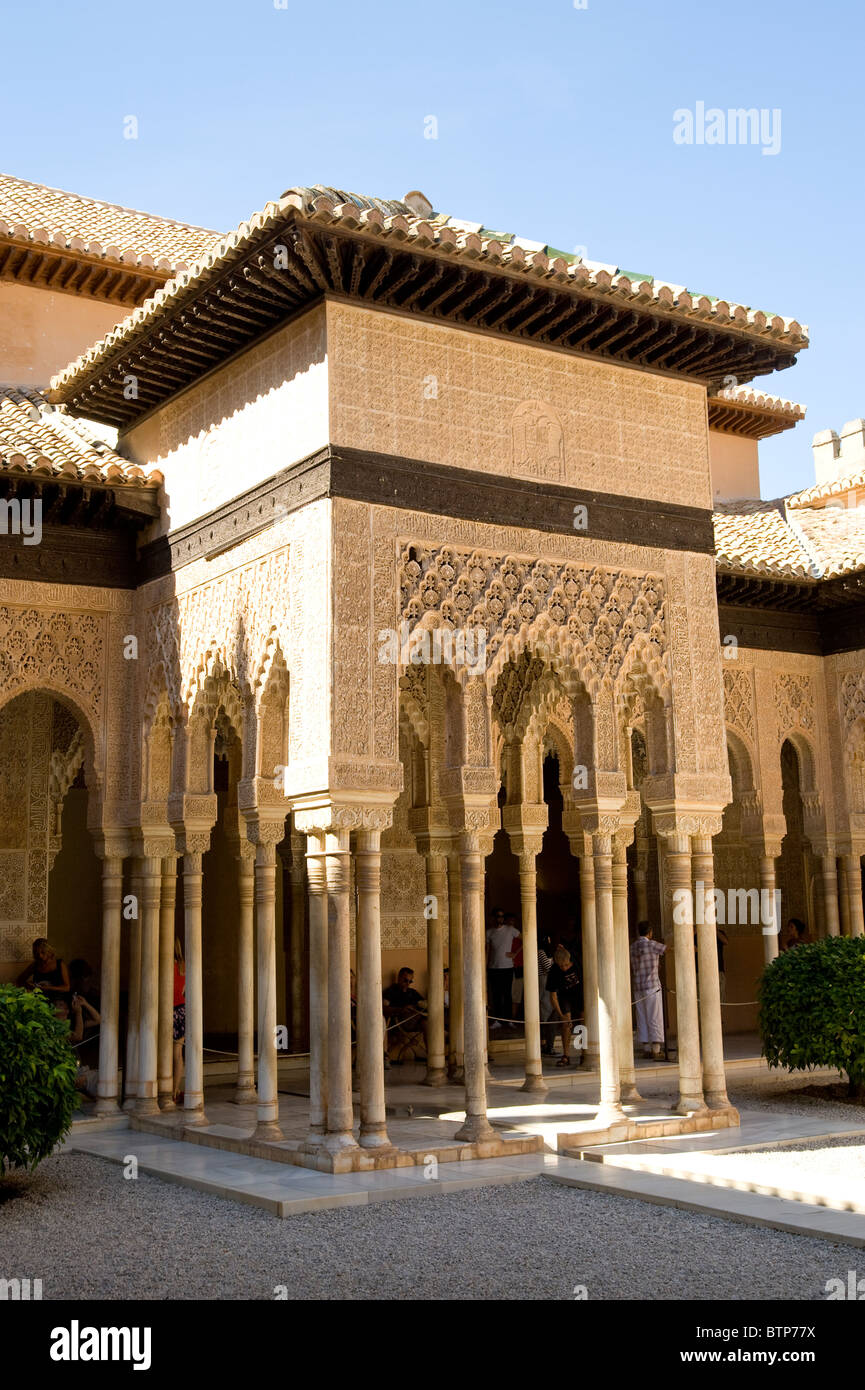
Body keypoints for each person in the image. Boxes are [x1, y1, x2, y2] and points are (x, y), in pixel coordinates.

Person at [630, 921, 666, 1059]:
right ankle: (656, 1050)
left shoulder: (633, 947)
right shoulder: (652, 944)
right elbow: (666, 949)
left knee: (642, 1017)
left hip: (638, 986)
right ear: (650, 932)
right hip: (652, 986)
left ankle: (646, 1048)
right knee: (654, 1016)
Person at [545, 944, 583, 1067]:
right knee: (566, 1024)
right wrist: (561, 1015)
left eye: (566, 965)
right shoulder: (554, 971)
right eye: (561, 966)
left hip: (581, 993)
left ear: (570, 960)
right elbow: (553, 996)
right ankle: (566, 1055)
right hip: (565, 996)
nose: (565, 968)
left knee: (583, 1024)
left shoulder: (575, 958)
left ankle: (584, 1053)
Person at [485, 908, 520, 1031]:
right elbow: (487, 950)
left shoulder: (510, 930)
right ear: (493, 918)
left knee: (507, 994)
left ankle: (508, 1019)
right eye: (497, 916)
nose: (499, 918)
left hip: (507, 967)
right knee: (496, 995)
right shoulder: (489, 932)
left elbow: (525, 938)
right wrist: (485, 965)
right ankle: (497, 1020)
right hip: (493, 968)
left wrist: (515, 953)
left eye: (501, 916)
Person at [382, 967, 427, 1062]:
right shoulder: (391, 991)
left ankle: (432, 1054)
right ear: (399, 978)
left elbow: (424, 1004)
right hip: (399, 1021)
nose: (407, 984)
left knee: (427, 1023)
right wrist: (401, 1009)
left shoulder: (413, 992)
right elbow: (383, 1008)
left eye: (410, 982)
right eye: (405, 980)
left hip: (415, 1020)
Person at [17, 938, 70, 1012]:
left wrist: (48, 988)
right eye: (36, 953)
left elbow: (66, 987)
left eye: (43, 952)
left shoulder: (59, 964)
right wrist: (31, 986)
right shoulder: (35, 965)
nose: (40, 956)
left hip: (58, 1000)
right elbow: (20, 980)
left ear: (49, 951)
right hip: (40, 1000)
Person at [173, 937, 186, 1103]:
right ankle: (175, 1089)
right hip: (182, 1011)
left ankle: (168, 1090)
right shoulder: (183, 966)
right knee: (178, 1054)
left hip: (170, 1010)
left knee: (168, 1054)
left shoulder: (165, 965)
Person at [538, 931, 555, 1055]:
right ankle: (544, 1043)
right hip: (543, 981)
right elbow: (548, 968)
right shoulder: (541, 952)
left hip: (546, 981)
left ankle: (546, 1043)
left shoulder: (545, 952)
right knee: (544, 1011)